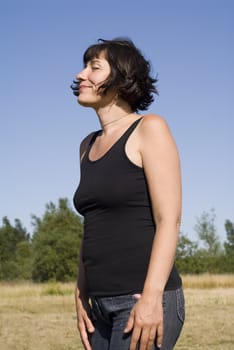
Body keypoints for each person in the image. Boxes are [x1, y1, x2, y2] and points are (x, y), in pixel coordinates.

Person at [71, 38, 185, 350]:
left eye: (94, 68)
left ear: (121, 79)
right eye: (83, 67)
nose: (81, 75)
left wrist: (151, 297)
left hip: (141, 300)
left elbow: (169, 220)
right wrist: (80, 292)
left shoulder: (150, 128)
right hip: (99, 307)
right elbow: (92, 225)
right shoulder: (86, 146)